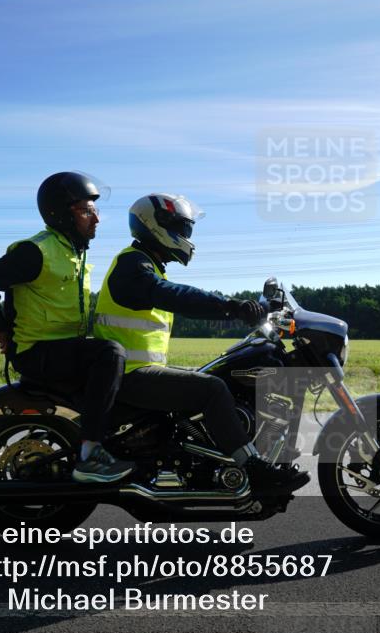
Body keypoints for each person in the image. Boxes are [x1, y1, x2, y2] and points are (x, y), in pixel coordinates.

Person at [92, 193, 309, 493]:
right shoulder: (133, 266)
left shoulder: (146, 266)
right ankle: (255, 470)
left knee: (214, 377)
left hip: (136, 370)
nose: (185, 237)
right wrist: (233, 307)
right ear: (156, 226)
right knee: (212, 390)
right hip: (129, 374)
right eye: (182, 229)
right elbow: (175, 295)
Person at [0, 171, 134, 483]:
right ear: (61, 213)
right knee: (110, 353)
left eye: (95, 210)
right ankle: (91, 454)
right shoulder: (37, 252)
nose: (95, 219)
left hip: (62, 351)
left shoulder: (73, 253)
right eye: (86, 211)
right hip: (38, 353)